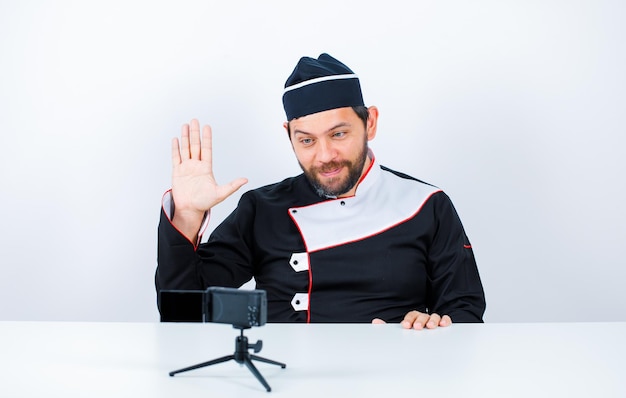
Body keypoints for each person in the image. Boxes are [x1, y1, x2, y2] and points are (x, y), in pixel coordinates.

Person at [156, 53, 486, 329]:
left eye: (339, 134)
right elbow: (182, 312)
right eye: (307, 140)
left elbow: (465, 313)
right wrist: (186, 215)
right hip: (282, 381)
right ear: (289, 135)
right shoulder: (261, 209)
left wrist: (432, 328)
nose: (325, 155)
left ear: (369, 122)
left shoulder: (426, 204)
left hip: (392, 378)